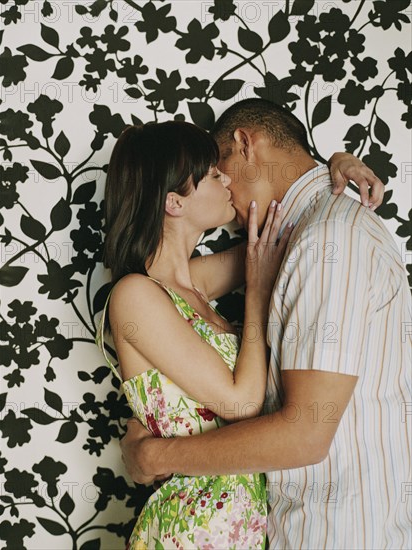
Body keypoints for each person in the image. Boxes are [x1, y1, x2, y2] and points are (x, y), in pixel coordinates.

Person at [119, 100, 411, 550]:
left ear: (244, 144)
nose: (225, 184)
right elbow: (276, 239)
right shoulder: (148, 292)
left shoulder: (327, 239)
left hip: (335, 529)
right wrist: (323, 170)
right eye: (211, 175)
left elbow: (303, 433)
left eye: (220, 168)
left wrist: (329, 165)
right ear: (174, 200)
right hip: (222, 525)